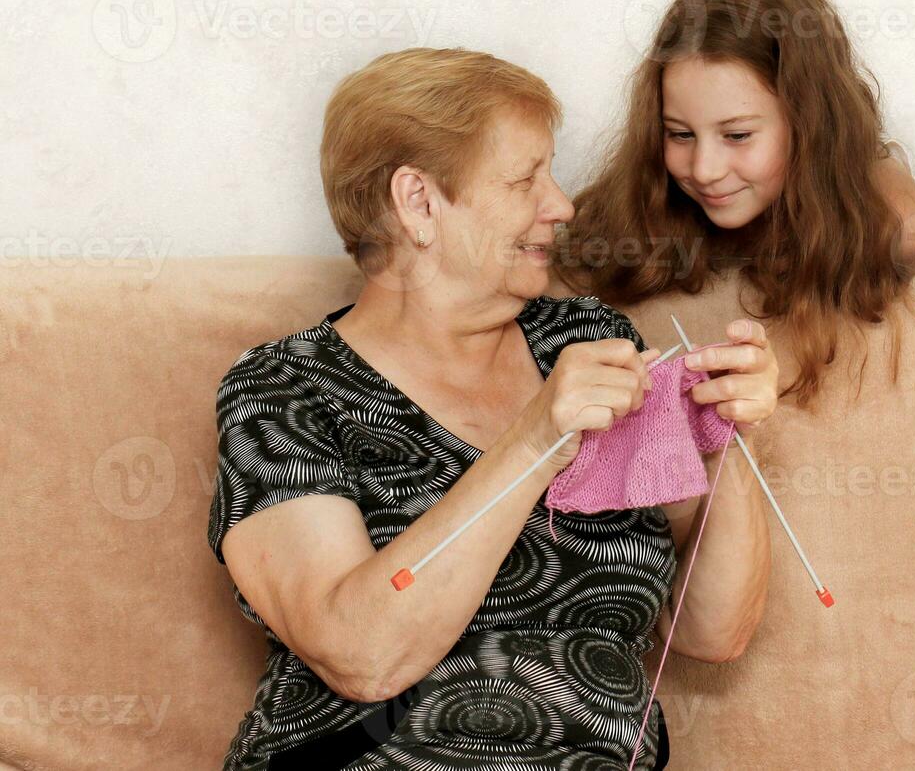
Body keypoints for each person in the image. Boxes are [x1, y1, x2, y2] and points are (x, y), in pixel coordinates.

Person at [205, 47, 777, 769]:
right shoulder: (285, 391)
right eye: (524, 179)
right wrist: (538, 438)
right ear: (418, 202)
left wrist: (728, 438)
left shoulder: (589, 343)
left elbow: (711, 629)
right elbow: (362, 656)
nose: (561, 205)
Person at [555, 0, 915, 407]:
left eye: (737, 136)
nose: (705, 169)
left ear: (809, 125)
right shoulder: (635, 210)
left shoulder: (908, 228)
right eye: (679, 134)